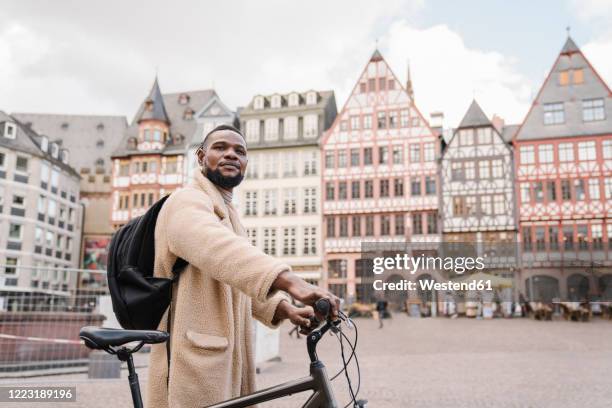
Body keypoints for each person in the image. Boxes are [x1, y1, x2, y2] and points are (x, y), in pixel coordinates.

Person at [146, 125, 339, 408]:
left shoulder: (230, 215)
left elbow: (235, 280)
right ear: (201, 157)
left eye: (240, 151)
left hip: (223, 364)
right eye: (220, 148)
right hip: (192, 365)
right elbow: (217, 249)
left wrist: (285, 309)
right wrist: (292, 282)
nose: (231, 155)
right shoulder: (185, 200)